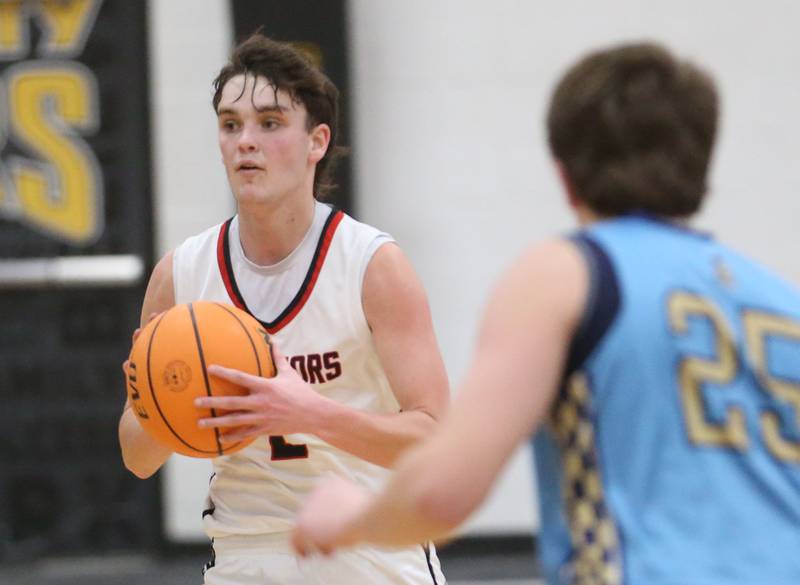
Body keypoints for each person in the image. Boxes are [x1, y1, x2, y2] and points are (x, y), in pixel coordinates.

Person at [291, 42, 800, 585]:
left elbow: (443, 493)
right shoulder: (780, 301)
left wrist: (351, 518)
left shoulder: (567, 274)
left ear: (564, 173)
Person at [118, 33, 450, 585]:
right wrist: (162, 397)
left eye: (269, 123)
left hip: (370, 551)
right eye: (230, 125)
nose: (246, 141)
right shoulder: (180, 275)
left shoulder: (372, 265)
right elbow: (137, 457)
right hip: (245, 555)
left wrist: (308, 412)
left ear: (316, 141)